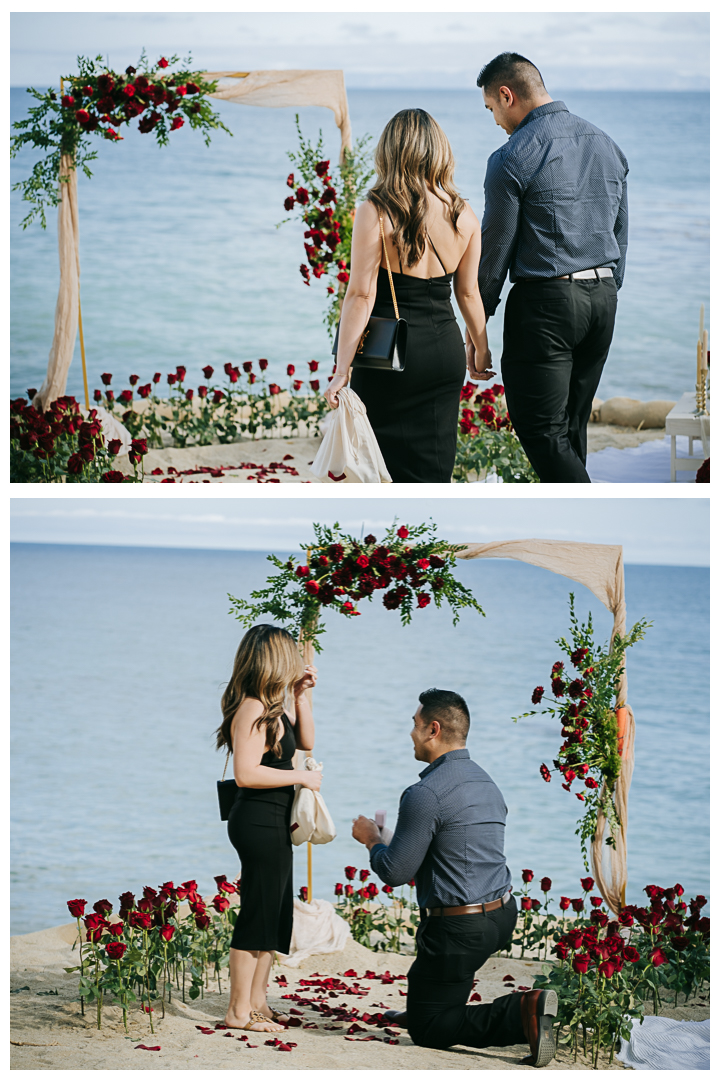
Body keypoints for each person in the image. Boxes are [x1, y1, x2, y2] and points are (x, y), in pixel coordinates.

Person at [351, 688, 557, 1067]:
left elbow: (395, 873)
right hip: (500, 914)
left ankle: (523, 1009)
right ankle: (432, 1008)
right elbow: (453, 852)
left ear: (433, 729)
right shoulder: (486, 783)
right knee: (433, 984)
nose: (410, 733)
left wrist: (372, 841)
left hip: (460, 929)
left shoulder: (424, 793)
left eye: (414, 725)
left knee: (429, 1030)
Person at [472, 52, 629, 483]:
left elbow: (496, 251)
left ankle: (590, 511)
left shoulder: (511, 157)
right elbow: (621, 231)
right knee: (570, 427)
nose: (496, 121)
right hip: (603, 300)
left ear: (507, 96)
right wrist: (609, 286)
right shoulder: (606, 144)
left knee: (542, 432)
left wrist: (477, 321)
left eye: (491, 109)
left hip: (546, 306)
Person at [324, 108, 494, 483]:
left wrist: (341, 370)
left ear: (390, 152)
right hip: (443, 352)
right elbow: (468, 293)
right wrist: (480, 349)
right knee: (432, 467)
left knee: (376, 468)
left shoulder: (377, 211)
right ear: (439, 152)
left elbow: (360, 296)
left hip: (390, 356)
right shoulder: (464, 214)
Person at [215, 624, 321, 1033]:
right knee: (257, 915)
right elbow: (246, 773)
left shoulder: (274, 707)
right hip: (257, 819)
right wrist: (301, 779)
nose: (298, 659)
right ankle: (238, 1012)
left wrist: (301, 696)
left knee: (275, 915)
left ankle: (257, 1002)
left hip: (274, 819)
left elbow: (307, 741)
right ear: (276, 658)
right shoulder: (253, 707)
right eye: (291, 653)